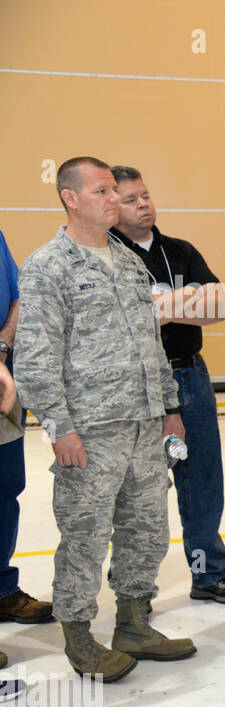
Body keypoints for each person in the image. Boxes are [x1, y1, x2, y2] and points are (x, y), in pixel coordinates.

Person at [16, 156, 195, 682]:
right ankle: (78, 638)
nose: (114, 199)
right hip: (89, 433)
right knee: (85, 537)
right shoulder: (49, 266)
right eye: (102, 191)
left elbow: (152, 346)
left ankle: (135, 624)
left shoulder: (129, 261)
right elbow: (34, 358)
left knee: (146, 530)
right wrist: (59, 427)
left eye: (115, 190)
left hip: (144, 426)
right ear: (71, 198)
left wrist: (170, 409)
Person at [108, 165, 225, 604]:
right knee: (141, 489)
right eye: (131, 199)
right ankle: (135, 591)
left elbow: (223, 304)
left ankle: (208, 575)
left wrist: (158, 307)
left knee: (202, 477)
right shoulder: (106, 255)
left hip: (190, 375)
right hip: (138, 382)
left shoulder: (179, 250)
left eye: (146, 195)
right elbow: (120, 320)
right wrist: (187, 300)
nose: (143, 204)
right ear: (112, 206)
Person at [0, 227, 55, 662]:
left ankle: (2, 587)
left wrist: (1, 349)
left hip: (2, 375)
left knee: (5, 489)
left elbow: (18, 298)